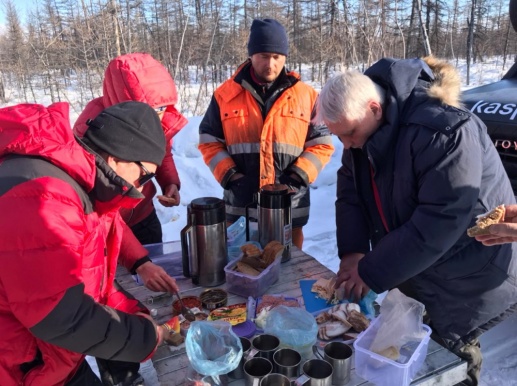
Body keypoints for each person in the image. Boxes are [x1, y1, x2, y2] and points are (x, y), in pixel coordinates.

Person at [315, 56, 517, 386]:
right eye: (339, 137)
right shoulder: (363, 131)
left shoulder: (445, 131)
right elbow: (350, 192)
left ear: (374, 109)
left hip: (467, 272)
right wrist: (352, 253)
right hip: (418, 263)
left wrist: (371, 271)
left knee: (451, 357)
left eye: (349, 134)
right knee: (411, 348)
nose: (346, 144)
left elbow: (439, 221)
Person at [0, 101, 176, 386]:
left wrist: (133, 312)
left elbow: (88, 282)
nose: (143, 188)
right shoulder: (45, 197)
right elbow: (59, 316)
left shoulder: (85, 190)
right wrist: (144, 336)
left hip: (54, 359)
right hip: (21, 370)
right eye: (145, 175)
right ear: (121, 155)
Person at [198, 18, 334, 249]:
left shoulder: (307, 96)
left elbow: (322, 144)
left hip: (290, 205)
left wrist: (297, 176)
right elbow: (209, 141)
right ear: (251, 55)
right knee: (243, 270)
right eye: (263, 56)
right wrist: (231, 177)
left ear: (285, 57)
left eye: (276, 56)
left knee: (288, 268)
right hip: (240, 206)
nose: (270, 64)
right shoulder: (225, 94)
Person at [74, 52, 188, 245]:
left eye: (161, 109)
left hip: (143, 216)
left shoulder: (153, 122)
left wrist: (170, 183)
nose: (157, 117)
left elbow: (163, 153)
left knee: (154, 267)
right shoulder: (90, 128)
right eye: (152, 110)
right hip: (106, 224)